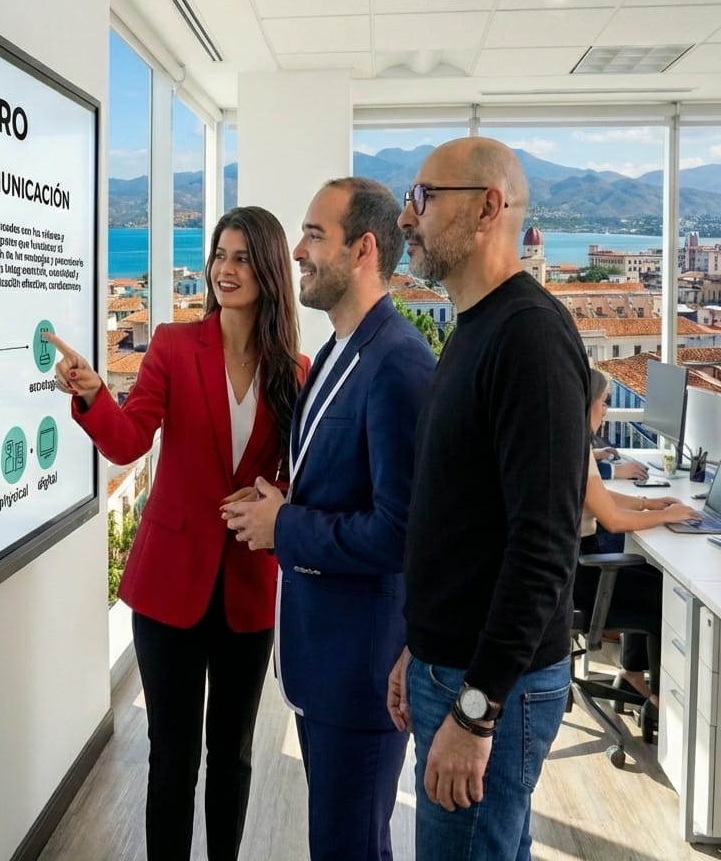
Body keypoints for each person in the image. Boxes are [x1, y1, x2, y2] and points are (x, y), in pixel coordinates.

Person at [46, 206, 307, 861]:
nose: (225, 268)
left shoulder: (295, 369)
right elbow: (128, 441)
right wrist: (93, 395)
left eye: (242, 257)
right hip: (169, 589)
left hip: (249, 588)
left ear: (269, 269)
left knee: (233, 756)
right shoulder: (171, 345)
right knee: (172, 757)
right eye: (220, 254)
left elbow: (307, 475)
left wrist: (279, 499)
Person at [386, 137, 590, 861]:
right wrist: (420, 646)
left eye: (422, 198)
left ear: (487, 209)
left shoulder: (529, 338)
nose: (405, 218)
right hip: (454, 666)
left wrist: (475, 712)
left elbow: (544, 546)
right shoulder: (476, 328)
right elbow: (463, 520)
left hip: (490, 688)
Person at [221, 178, 435, 861]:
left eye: (314, 235)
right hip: (323, 664)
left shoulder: (399, 363)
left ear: (364, 249)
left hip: (362, 673)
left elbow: (401, 533)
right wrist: (275, 505)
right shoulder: (340, 352)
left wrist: (283, 528)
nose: (297, 251)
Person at [577, 368, 698, 715]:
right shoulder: (578, 448)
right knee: (664, 597)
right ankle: (659, 702)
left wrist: (648, 504)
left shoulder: (574, 444)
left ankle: (632, 673)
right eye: (604, 402)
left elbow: (599, 497)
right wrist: (666, 516)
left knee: (650, 575)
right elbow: (613, 520)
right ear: (589, 404)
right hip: (579, 580)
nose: (606, 411)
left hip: (573, 571)